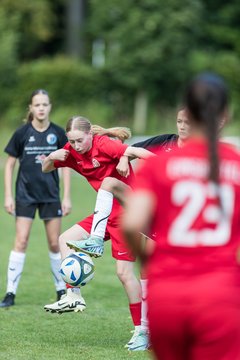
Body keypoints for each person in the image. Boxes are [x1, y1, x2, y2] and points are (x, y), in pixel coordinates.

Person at [122, 72, 240, 359]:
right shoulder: (236, 165)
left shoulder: (161, 164)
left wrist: (152, 258)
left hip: (168, 293)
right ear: (225, 114)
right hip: (220, 293)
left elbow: (131, 224)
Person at [67, 108, 191, 351]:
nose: (182, 126)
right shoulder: (165, 142)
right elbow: (129, 150)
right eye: (179, 120)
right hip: (153, 213)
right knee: (145, 272)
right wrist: (124, 158)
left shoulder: (201, 152)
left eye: (187, 122)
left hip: (180, 220)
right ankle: (145, 330)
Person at [41, 116, 154, 347]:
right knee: (65, 239)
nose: (75, 146)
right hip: (104, 214)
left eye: (79, 140)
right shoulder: (70, 150)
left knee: (123, 274)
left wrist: (164, 167)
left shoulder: (103, 144)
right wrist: (52, 157)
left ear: (90, 135)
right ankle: (73, 296)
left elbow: (140, 153)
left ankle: (142, 330)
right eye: (71, 141)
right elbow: (46, 169)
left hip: (126, 214)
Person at [0, 89, 72, 308]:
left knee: (54, 243)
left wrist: (66, 196)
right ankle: (10, 293)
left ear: (50, 107)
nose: (41, 108)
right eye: (37, 104)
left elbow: (67, 166)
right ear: (31, 108)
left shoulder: (58, 133)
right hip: (25, 195)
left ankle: (61, 291)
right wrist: (8, 195)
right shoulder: (21, 133)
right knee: (21, 241)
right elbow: (10, 165)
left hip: (51, 195)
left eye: (45, 104)